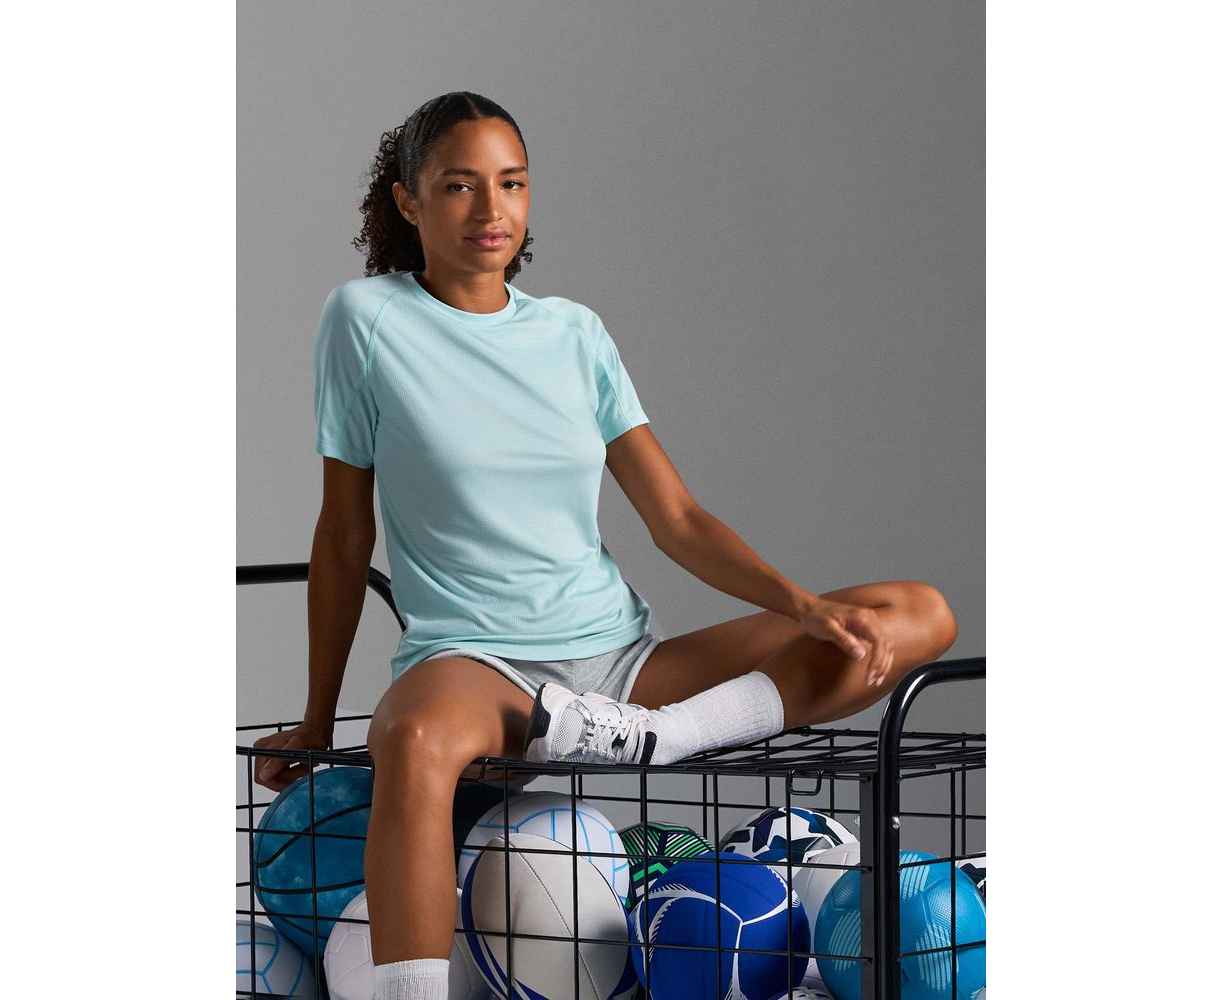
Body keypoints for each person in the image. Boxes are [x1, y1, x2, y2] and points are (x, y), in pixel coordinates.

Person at [253, 91, 959, 1000]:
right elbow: (344, 534)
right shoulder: (365, 320)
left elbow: (678, 520)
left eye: (511, 183)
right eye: (460, 185)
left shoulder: (574, 334)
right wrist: (316, 720)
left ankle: (660, 738)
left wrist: (803, 607)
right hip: (477, 666)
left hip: (619, 671)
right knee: (412, 736)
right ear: (407, 201)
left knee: (914, 614)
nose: (491, 209)